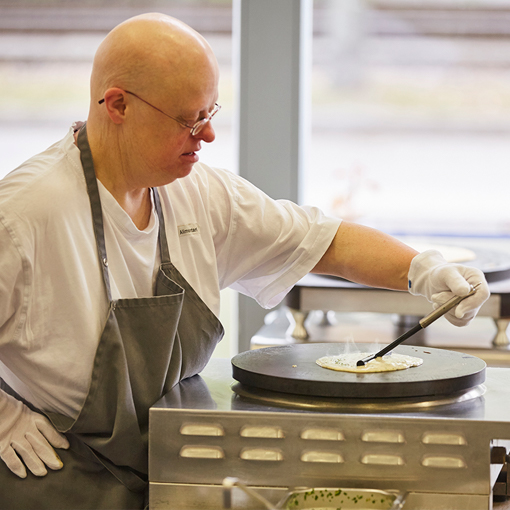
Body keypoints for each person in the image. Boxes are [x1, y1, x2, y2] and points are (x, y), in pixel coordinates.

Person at [0, 12, 489, 510]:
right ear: (118, 104)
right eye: (190, 119)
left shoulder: (199, 195)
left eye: (211, 112)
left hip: (169, 465)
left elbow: (327, 242)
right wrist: (4, 418)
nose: (208, 136)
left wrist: (423, 269)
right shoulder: (24, 214)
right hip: (56, 473)